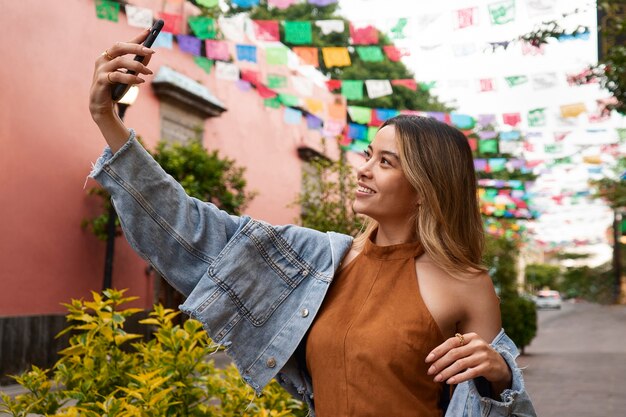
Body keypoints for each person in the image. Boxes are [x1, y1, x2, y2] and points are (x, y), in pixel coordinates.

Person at [89, 29, 536, 417]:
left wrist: (500, 376)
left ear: (426, 187)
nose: (362, 170)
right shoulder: (316, 262)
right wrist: (107, 120)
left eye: (386, 162)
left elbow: (500, 407)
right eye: (367, 156)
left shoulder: (465, 283)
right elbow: (189, 227)